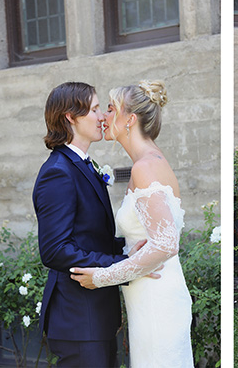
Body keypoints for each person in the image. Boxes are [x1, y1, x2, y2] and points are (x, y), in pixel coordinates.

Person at [69, 80, 193, 367]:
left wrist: (101, 277)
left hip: (157, 297)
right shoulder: (148, 161)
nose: (104, 117)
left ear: (130, 119)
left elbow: (165, 244)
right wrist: (127, 256)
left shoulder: (146, 166)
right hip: (147, 293)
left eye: (111, 109)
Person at [33, 82, 136, 366]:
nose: (103, 116)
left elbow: (90, 238)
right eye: (94, 109)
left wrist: (132, 250)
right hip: (78, 319)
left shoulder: (83, 165)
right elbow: (55, 250)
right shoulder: (58, 172)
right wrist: (120, 264)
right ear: (70, 116)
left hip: (94, 317)